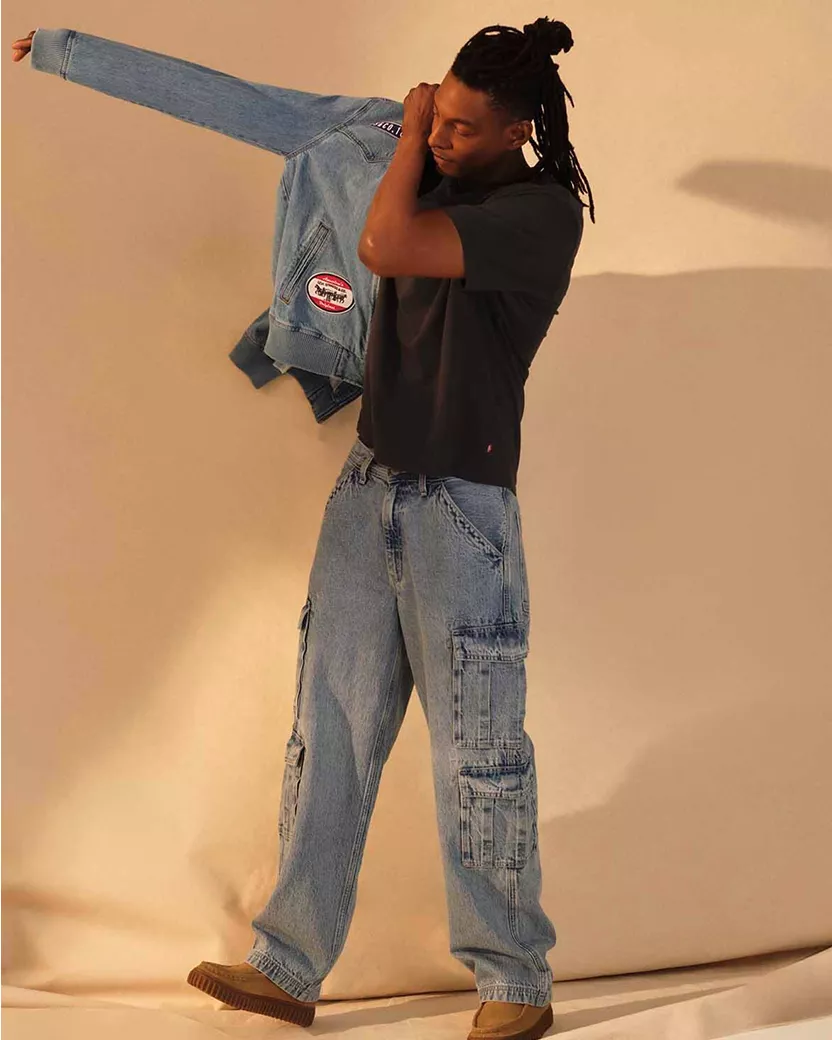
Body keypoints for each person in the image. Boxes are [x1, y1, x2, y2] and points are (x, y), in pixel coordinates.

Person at [12, 16, 594, 1040]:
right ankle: (288, 964)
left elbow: (386, 245)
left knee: (479, 754)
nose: (439, 134)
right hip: (369, 488)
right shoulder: (403, 149)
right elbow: (243, 105)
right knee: (328, 734)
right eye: (436, 113)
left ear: (516, 132)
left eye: (462, 126)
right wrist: (68, 53)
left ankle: (514, 977)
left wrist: (407, 136)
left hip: (463, 511)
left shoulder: (540, 213)